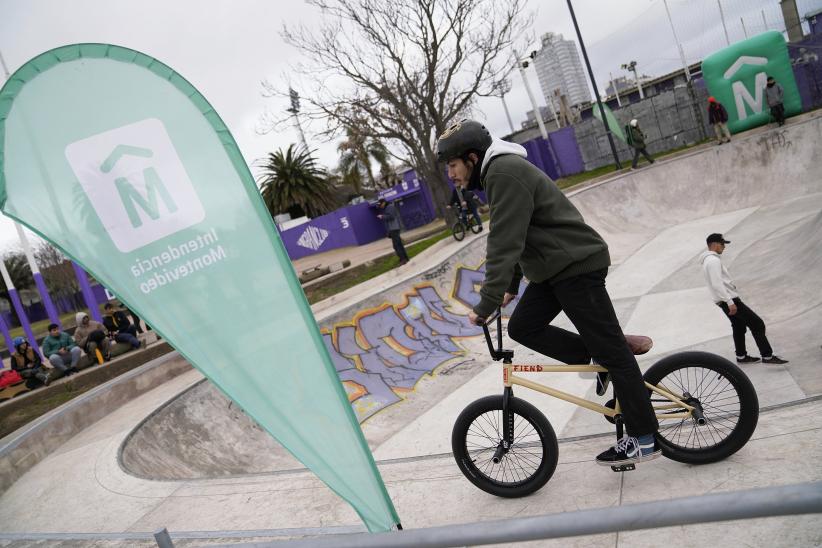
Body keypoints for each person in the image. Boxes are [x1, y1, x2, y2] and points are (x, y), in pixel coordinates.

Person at [437, 119, 660, 467]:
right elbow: (516, 234)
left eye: (451, 165)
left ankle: (644, 437)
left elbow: (504, 242)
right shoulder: (498, 173)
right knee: (522, 326)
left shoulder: (503, 173)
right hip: (554, 270)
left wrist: (489, 301)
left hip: (575, 267)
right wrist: (510, 288)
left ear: (471, 157)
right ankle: (595, 356)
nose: (450, 174)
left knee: (614, 354)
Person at [699, 233, 788, 365]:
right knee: (757, 323)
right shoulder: (713, 261)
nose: (724, 247)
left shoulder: (709, 260)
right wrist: (730, 302)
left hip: (724, 300)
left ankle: (741, 356)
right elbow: (717, 284)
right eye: (722, 244)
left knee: (739, 326)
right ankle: (767, 356)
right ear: (714, 244)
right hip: (729, 300)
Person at [376, 198, 409, 265]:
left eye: (380, 204)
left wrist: (382, 216)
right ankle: (405, 258)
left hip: (394, 228)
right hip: (393, 228)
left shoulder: (389, 207)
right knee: (398, 244)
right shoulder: (388, 207)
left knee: (397, 245)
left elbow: (391, 216)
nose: (380, 206)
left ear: (384, 202)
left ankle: (403, 259)